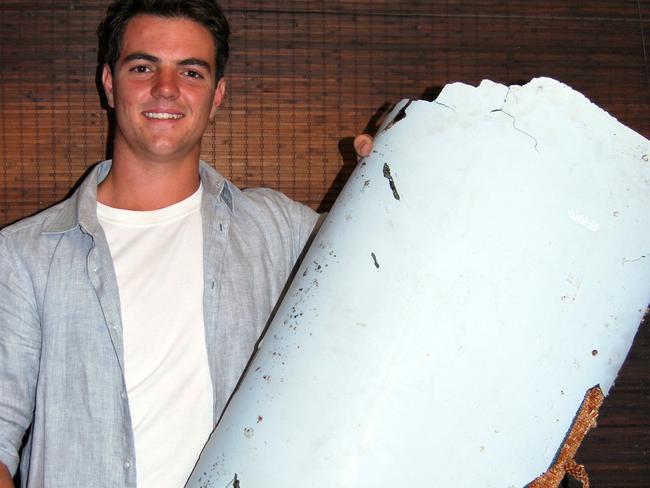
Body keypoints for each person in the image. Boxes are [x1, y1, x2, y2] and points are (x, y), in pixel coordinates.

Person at [0, 1, 372, 487]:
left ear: (217, 94)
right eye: (142, 66)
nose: (166, 89)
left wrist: (399, 166)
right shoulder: (24, 255)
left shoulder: (279, 230)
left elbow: (397, 274)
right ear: (110, 84)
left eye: (191, 72)